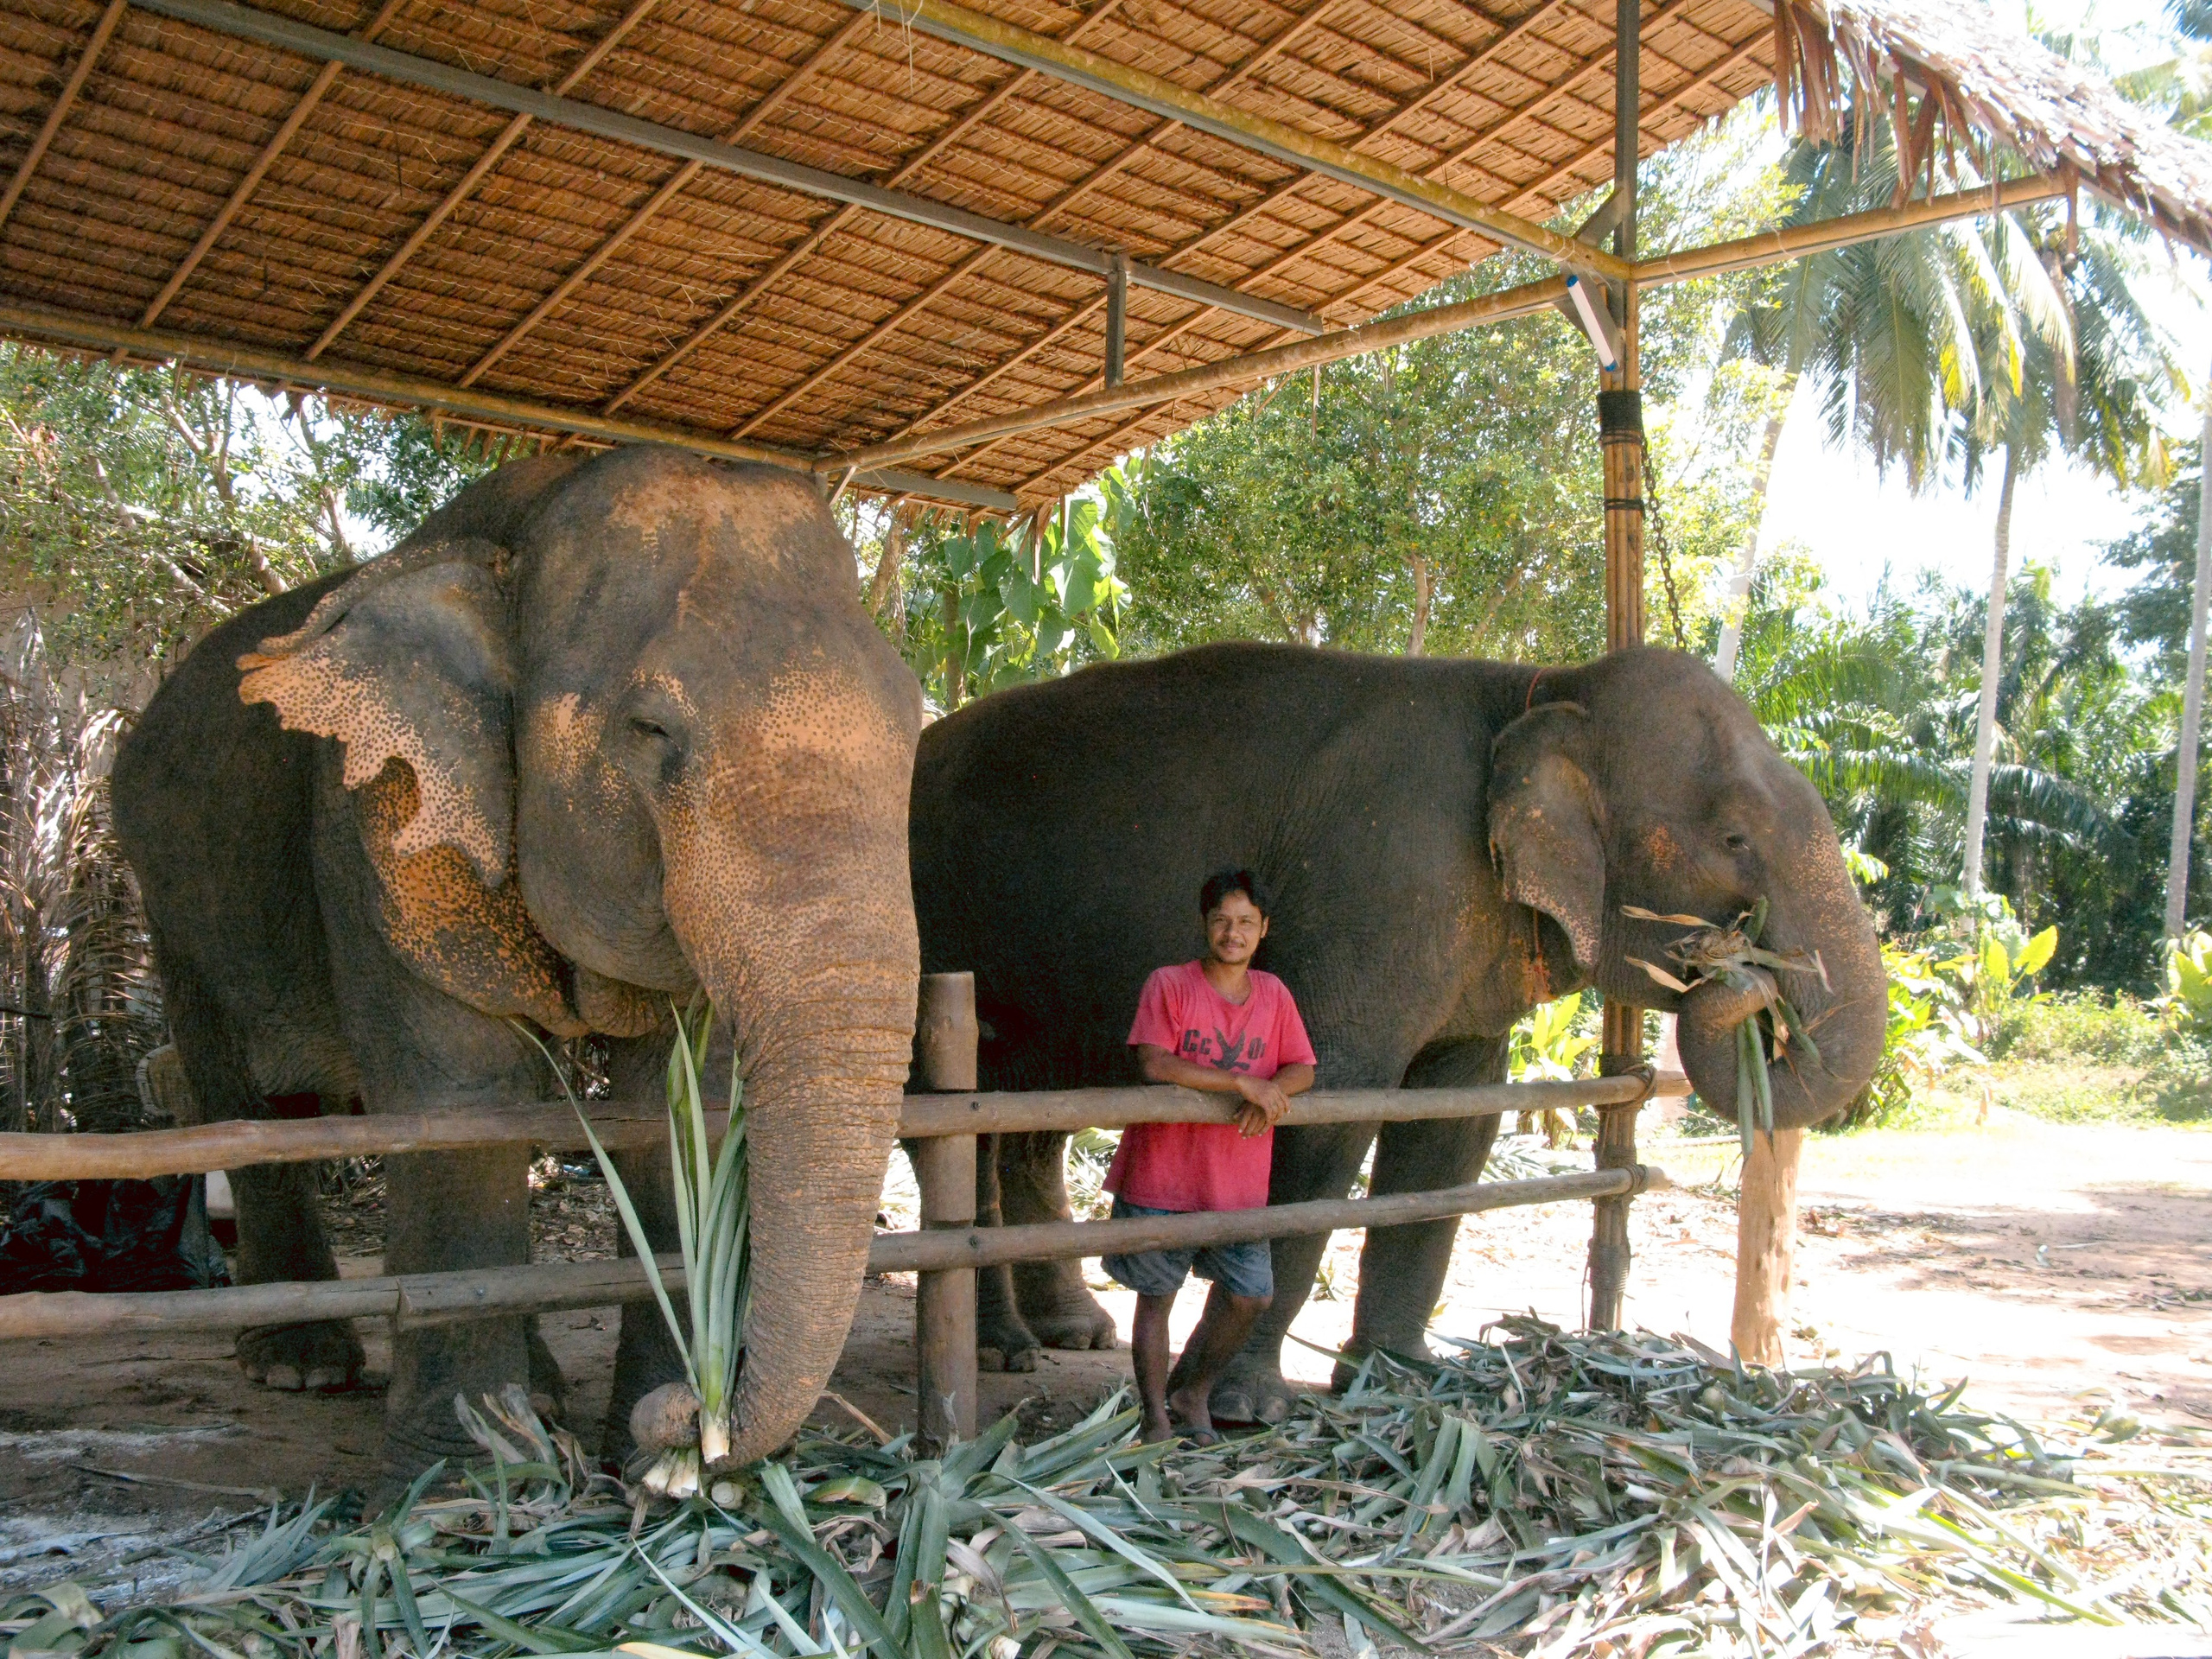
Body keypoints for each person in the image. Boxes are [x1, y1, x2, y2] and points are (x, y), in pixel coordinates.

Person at [1102, 868, 1317, 1444]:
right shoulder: (1169, 984)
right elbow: (1154, 1062)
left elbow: (1303, 1067)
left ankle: (1193, 1389)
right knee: (1157, 1299)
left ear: (1264, 929)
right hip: (1163, 1174)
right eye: (1222, 920)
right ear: (1205, 924)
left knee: (1251, 1295)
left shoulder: (1274, 994)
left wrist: (1273, 1093)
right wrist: (1241, 1083)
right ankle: (1154, 1415)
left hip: (1237, 1182)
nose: (1232, 933)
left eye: (1246, 922)